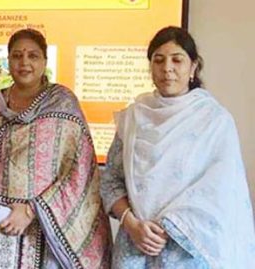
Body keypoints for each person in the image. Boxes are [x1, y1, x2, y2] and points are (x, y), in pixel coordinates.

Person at [100, 26, 255, 268]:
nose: (167, 68)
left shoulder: (214, 120)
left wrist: (169, 227)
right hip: (135, 244)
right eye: (158, 60)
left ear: (193, 67)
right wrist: (131, 224)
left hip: (189, 249)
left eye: (177, 60)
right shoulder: (133, 118)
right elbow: (111, 180)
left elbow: (221, 188)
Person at [0, 29, 111, 268]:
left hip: (47, 223)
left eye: (33, 56)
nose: (24, 62)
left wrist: (30, 211)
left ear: (44, 61)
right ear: (9, 61)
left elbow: (80, 168)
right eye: (17, 56)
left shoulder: (62, 101)